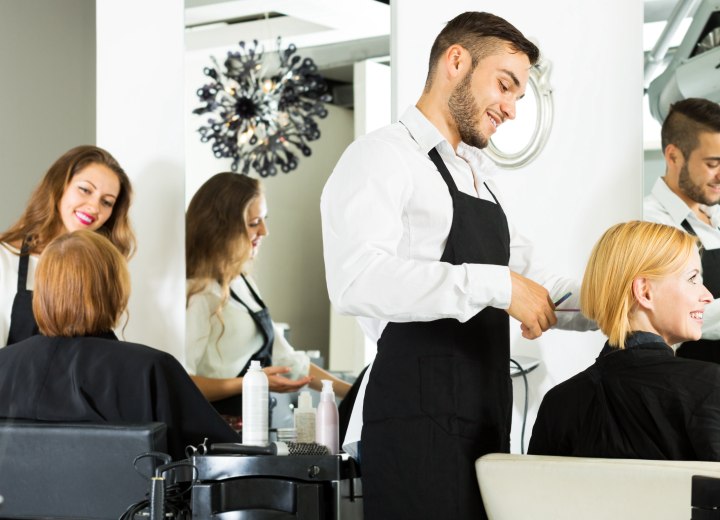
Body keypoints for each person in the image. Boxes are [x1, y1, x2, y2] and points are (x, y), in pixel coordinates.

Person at [320, 11, 593, 519]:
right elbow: (357, 279)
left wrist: (611, 301)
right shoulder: (380, 157)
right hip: (414, 427)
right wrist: (497, 285)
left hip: (484, 421)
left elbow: (531, 282)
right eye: (506, 86)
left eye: (519, 96)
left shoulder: (478, 178)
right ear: (456, 61)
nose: (511, 109)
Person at [0, 230, 239, 460]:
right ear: (116, 291)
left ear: (41, 292)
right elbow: (222, 459)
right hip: (131, 503)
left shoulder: (4, 365)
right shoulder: (150, 369)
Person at [528, 221, 720, 460]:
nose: (708, 296)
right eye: (693, 279)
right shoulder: (710, 386)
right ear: (645, 292)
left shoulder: (558, 404)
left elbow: (539, 495)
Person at [185, 172, 350, 421]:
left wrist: (353, 394)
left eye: (263, 220)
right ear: (221, 227)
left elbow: (290, 361)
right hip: (215, 430)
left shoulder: (243, 283)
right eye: (253, 223)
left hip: (252, 424)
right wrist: (251, 382)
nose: (265, 230)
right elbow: (182, 384)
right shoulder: (198, 293)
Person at [0, 145, 135, 347]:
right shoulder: (4, 258)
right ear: (59, 186)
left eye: (106, 202)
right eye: (85, 190)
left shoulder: (102, 270)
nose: (94, 207)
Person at [644, 98, 720, 363]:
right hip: (697, 386)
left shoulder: (716, 215)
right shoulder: (651, 225)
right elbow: (676, 314)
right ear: (673, 156)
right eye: (712, 164)